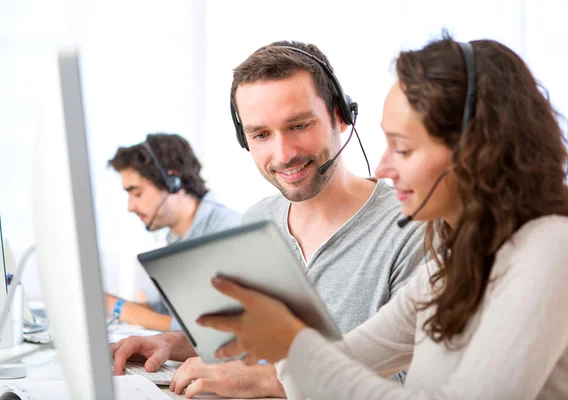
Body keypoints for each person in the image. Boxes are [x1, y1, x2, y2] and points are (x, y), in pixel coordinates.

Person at [197, 36, 568, 399]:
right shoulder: (455, 261)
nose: (383, 167)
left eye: (403, 149)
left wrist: (293, 345)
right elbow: (348, 361)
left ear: (477, 151)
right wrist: (269, 341)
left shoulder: (551, 249)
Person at [111, 41, 427, 398]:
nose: (283, 154)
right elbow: (243, 339)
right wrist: (170, 344)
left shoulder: (413, 228)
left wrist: (267, 382)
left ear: (341, 115)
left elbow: (415, 387)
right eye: (261, 134)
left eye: (298, 125)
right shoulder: (259, 220)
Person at [105, 133, 242, 331]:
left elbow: (207, 331)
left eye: (137, 193)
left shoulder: (229, 232)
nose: (130, 206)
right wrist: (105, 304)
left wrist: (117, 307)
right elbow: (163, 312)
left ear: (173, 182)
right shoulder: (177, 239)